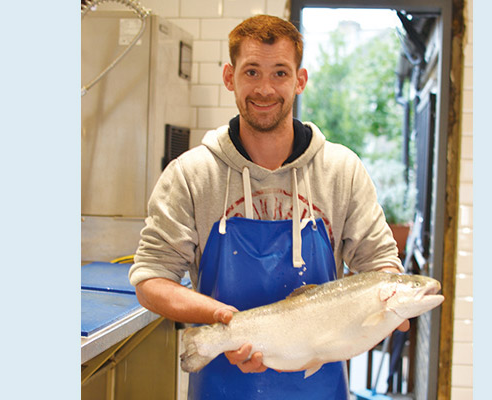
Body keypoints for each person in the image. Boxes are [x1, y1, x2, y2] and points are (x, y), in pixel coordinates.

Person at [129, 14, 408, 400]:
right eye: (252, 72)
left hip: (319, 387)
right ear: (230, 77)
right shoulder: (191, 175)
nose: (265, 89)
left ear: (300, 80)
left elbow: (380, 264)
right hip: (221, 387)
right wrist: (224, 320)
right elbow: (150, 279)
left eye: (280, 73)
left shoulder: (341, 171)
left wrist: (388, 307)